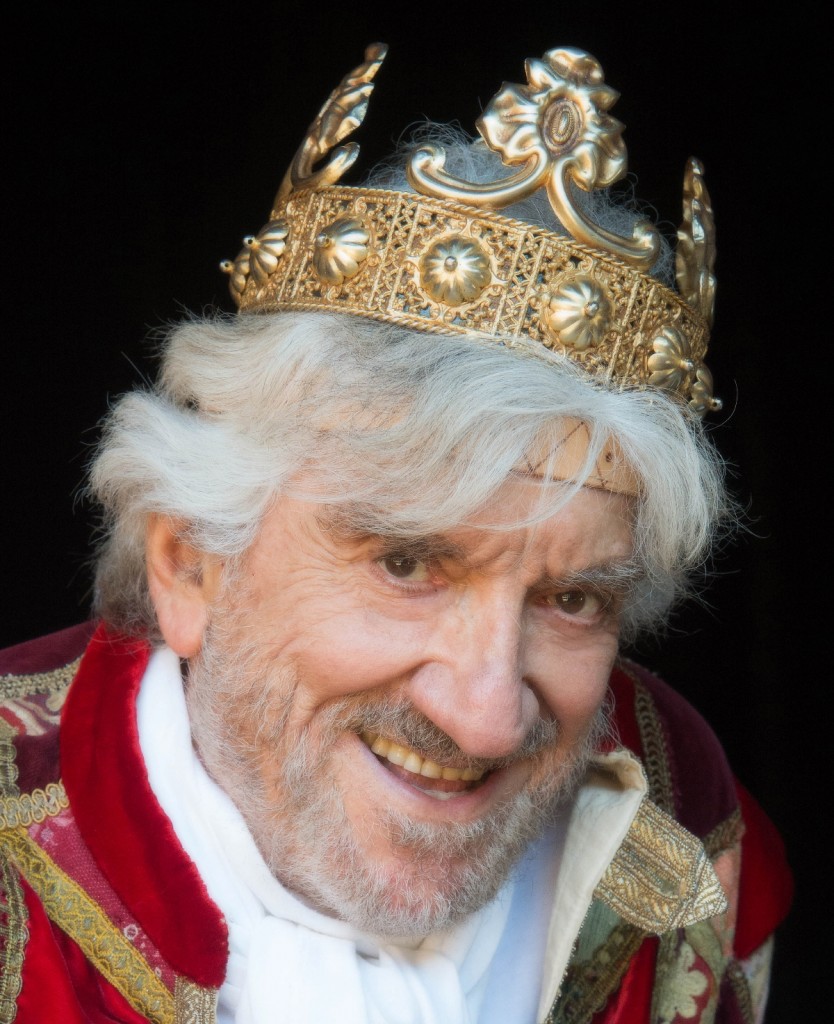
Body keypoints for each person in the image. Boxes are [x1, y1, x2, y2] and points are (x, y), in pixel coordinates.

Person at [0, 43, 792, 1023]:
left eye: (573, 598)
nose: (486, 717)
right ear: (191, 562)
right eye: (408, 562)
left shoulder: (684, 810)